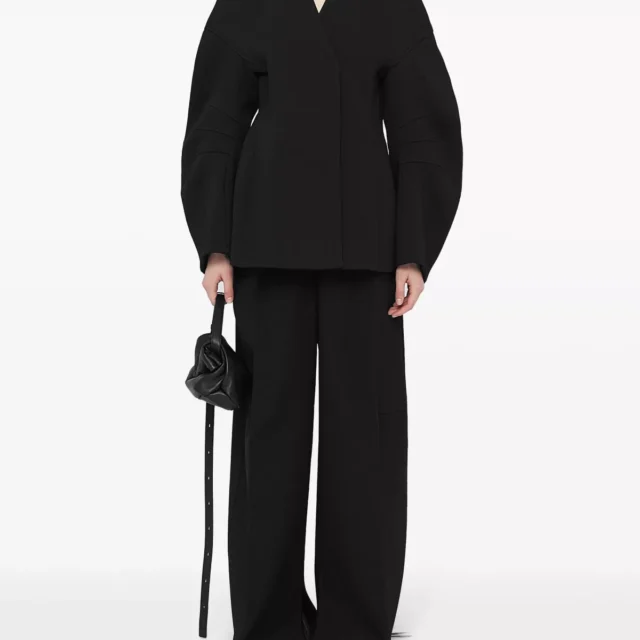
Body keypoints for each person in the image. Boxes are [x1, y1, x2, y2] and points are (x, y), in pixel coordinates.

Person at [181, 0, 462, 638]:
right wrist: (215, 244)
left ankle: (355, 621)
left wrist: (413, 249)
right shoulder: (246, 4)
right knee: (267, 437)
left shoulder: (391, 7)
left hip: (368, 253)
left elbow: (423, 128)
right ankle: (268, 621)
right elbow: (215, 122)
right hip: (265, 247)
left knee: (366, 437)